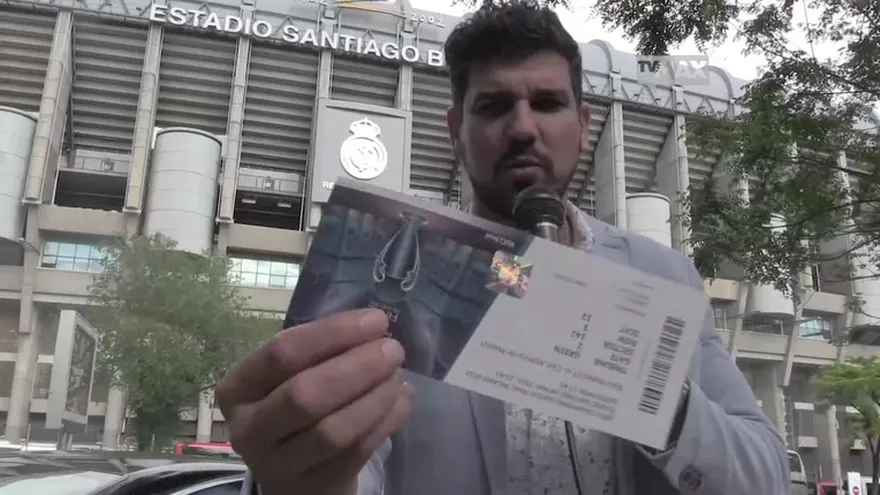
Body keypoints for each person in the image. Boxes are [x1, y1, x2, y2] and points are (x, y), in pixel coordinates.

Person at [215, 1, 790, 494]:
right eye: (493, 106)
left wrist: (649, 391)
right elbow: (354, 469)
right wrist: (305, 476)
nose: (522, 127)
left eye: (546, 103)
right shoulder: (392, 282)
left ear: (584, 125)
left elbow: (764, 474)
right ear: (454, 131)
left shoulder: (666, 277)